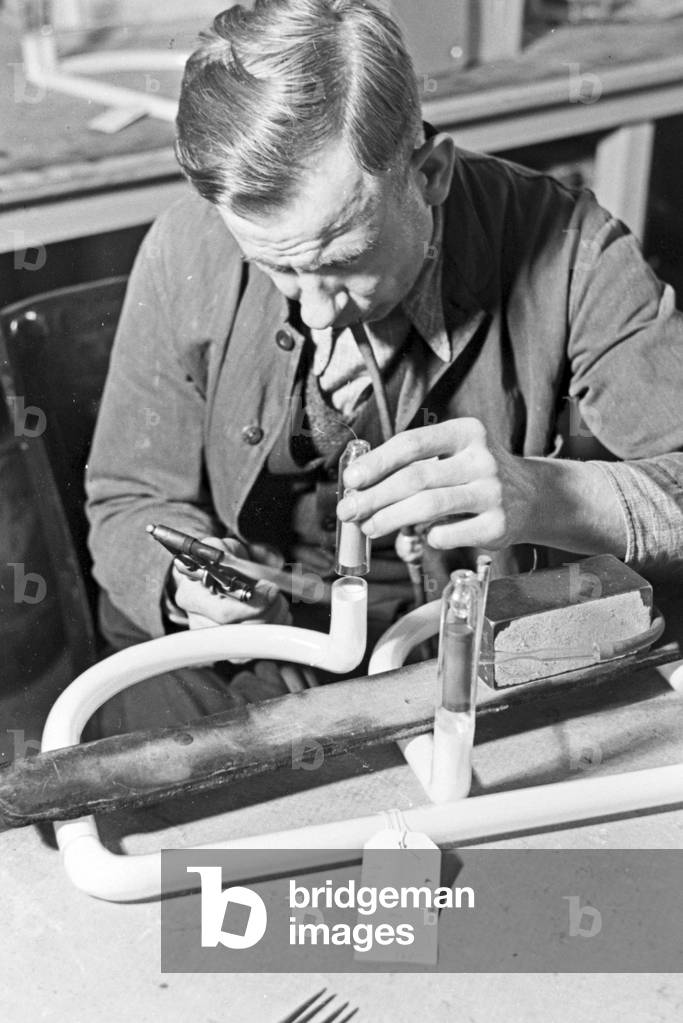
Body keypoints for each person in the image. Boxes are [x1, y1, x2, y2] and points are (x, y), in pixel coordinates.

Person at [85, 0, 682, 737]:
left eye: (342, 261)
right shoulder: (184, 246)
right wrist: (191, 587)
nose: (315, 314)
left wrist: (549, 493)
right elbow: (126, 498)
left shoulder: (570, 248)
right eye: (276, 269)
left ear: (428, 174)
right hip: (243, 666)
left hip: (478, 652)